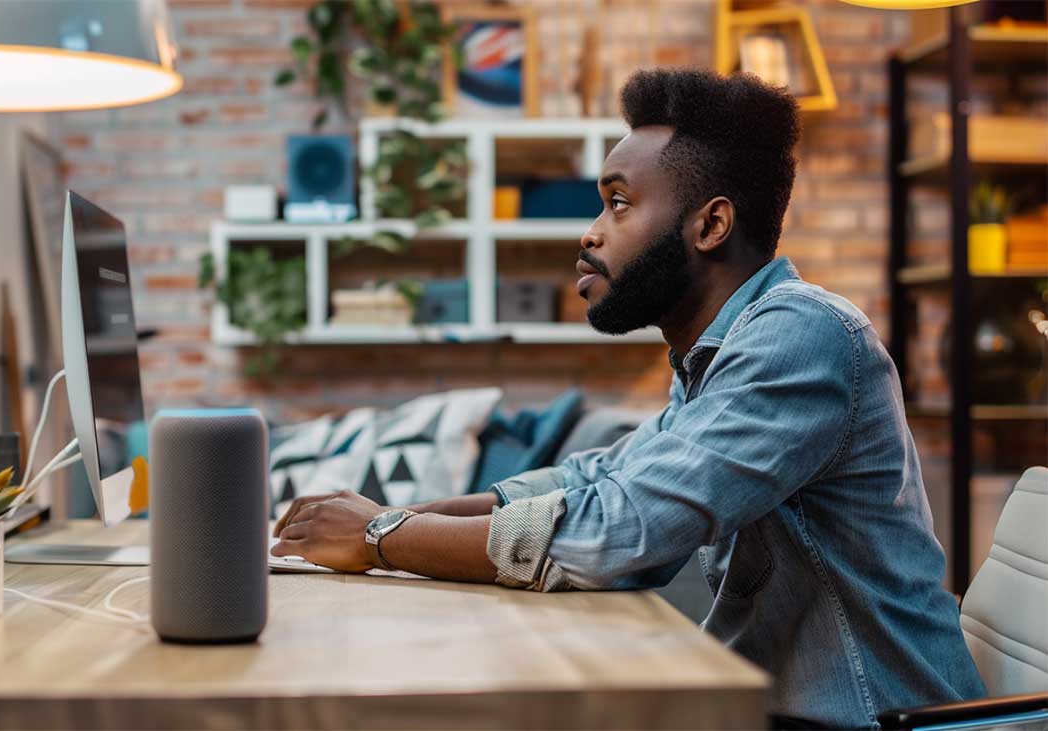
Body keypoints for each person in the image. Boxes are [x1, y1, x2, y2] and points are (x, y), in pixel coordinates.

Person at [271, 68, 985, 728]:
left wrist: (381, 535)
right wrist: (402, 519)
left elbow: (621, 531)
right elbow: (597, 477)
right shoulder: (717, 357)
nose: (590, 232)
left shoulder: (803, 336)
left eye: (618, 203)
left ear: (710, 225)